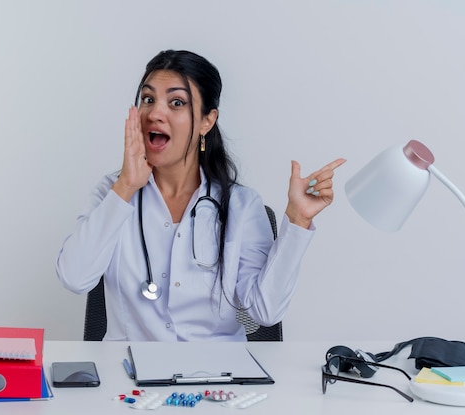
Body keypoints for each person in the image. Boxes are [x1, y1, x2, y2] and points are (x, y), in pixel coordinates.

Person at [56, 50, 345, 341]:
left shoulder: (241, 206)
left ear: (207, 121)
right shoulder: (113, 192)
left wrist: (297, 219)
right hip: (131, 374)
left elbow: (265, 311)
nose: (155, 113)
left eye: (177, 102)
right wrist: (126, 187)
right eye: (148, 99)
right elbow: (75, 278)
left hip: (219, 377)